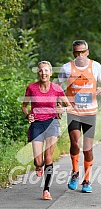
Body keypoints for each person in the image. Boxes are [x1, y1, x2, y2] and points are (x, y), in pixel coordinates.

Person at [58, 40, 101, 193]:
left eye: (82, 52)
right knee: (75, 143)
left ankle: (87, 179)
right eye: (76, 52)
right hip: (73, 112)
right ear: (73, 53)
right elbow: (57, 89)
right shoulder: (66, 68)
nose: (80, 55)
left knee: (88, 148)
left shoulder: (96, 67)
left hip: (90, 113)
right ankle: (75, 172)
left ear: (87, 52)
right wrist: (59, 104)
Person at [22, 61, 71, 200]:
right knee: (39, 161)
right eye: (41, 71)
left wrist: (63, 109)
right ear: (37, 73)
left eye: (46, 71)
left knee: (48, 157)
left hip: (52, 123)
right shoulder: (31, 88)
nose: (43, 73)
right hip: (37, 124)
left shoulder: (56, 89)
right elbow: (24, 106)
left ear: (50, 73)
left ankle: (46, 189)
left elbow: (69, 106)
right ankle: (39, 166)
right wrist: (28, 115)